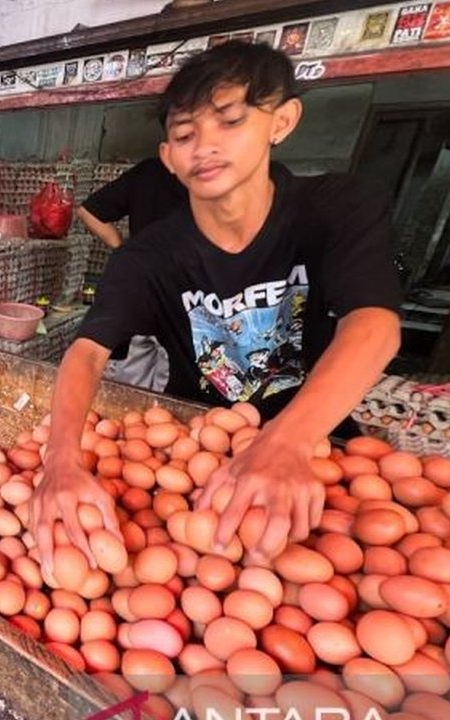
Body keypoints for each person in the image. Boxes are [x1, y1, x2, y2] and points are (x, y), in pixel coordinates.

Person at [32, 41, 402, 569]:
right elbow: (87, 352)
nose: (205, 146)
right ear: (168, 158)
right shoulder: (149, 258)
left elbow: (375, 325)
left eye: (230, 121)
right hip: (197, 452)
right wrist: (61, 460)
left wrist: (286, 442)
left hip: (315, 444)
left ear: (283, 120)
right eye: (185, 134)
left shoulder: (337, 209)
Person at [75, 157, 187, 392]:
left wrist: (124, 250)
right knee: (175, 377)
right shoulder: (213, 177)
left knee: (136, 370)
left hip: (144, 286)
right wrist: (126, 253)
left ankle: (138, 419)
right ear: (166, 149)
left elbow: (88, 212)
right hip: (185, 290)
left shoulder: (147, 171)